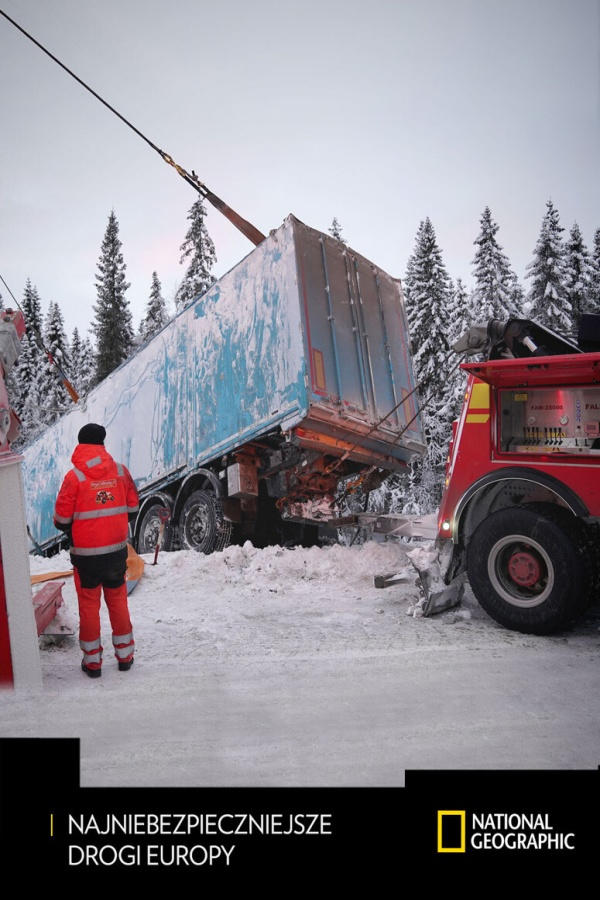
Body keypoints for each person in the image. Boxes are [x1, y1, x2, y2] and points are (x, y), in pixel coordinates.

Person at [53, 423, 139, 678]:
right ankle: (125, 657)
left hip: (86, 558)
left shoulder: (74, 478)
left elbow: (60, 519)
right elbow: (133, 509)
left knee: (89, 608)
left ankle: (93, 664)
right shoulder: (121, 472)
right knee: (118, 602)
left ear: (80, 445)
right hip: (115, 552)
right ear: (102, 443)